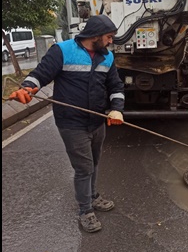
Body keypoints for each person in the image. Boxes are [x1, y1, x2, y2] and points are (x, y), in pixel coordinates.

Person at [9, 16, 125, 232]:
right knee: (83, 167)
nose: (110, 41)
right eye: (109, 37)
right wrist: (27, 88)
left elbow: (115, 85)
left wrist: (117, 108)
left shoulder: (107, 57)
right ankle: (85, 210)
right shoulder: (62, 50)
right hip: (71, 123)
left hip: (97, 120)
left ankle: (92, 195)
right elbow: (41, 74)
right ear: (97, 35)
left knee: (95, 161)